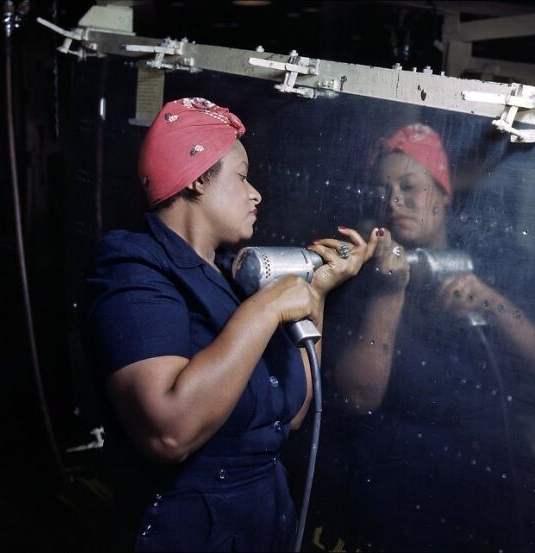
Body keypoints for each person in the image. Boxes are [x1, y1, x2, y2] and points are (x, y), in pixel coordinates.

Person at [84, 97, 378, 552]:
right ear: (199, 178)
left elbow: (294, 414)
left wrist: (315, 293)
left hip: (262, 517)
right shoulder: (134, 270)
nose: (256, 192)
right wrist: (265, 310)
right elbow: (168, 432)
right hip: (187, 529)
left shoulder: (229, 277)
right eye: (241, 176)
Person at [324, 123, 535, 551]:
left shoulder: (497, 258)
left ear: (444, 193)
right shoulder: (360, 276)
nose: (394, 201)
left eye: (410, 185)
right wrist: (390, 291)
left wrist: (493, 305)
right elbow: (356, 395)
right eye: (382, 190)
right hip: (395, 493)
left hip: (489, 487)